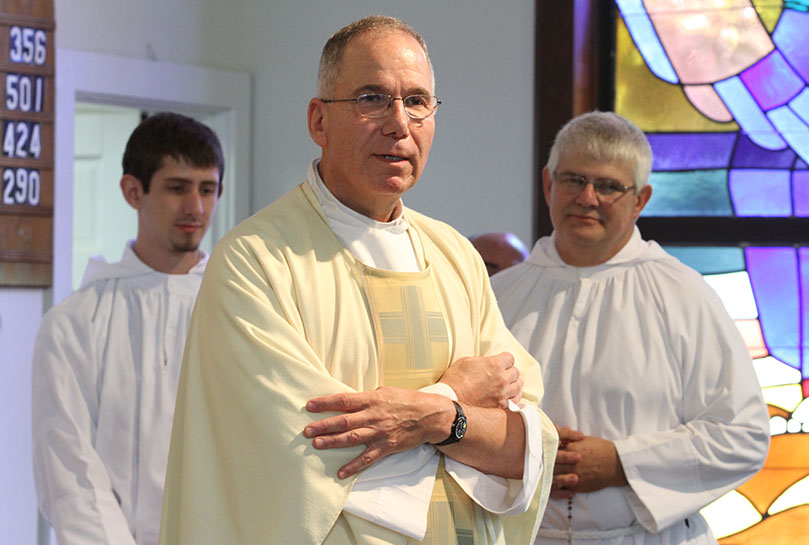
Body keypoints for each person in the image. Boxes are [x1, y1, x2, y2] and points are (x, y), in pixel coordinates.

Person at [159, 15, 558, 545]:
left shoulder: (457, 256)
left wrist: (431, 417)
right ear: (319, 121)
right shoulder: (255, 261)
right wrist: (455, 401)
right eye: (372, 98)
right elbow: (303, 452)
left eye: (417, 102)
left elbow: (524, 448)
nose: (400, 124)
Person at [492, 111, 770, 545]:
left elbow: (742, 437)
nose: (587, 197)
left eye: (607, 186)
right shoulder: (497, 296)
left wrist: (621, 462)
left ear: (640, 199)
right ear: (548, 184)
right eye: (573, 180)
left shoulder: (683, 295)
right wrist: (522, 453)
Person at [31, 112, 224, 545]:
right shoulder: (74, 326)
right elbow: (70, 472)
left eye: (206, 189)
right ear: (133, 191)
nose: (195, 207)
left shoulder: (241, 314)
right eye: (177, 188)